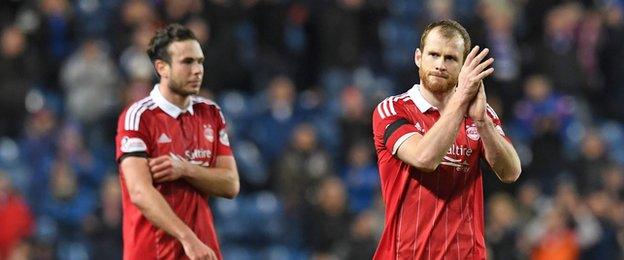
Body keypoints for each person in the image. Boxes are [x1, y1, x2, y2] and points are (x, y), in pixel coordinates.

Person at [371, 19, 521, 259]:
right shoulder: (393, 109)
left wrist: (483, 123)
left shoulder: (481, 114)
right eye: (433, 55)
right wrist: (461, 102)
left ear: (463, 67)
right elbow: (424, 158)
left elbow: (511, 172)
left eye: (450, 58)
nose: (440, 64)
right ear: (418, 58)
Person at [115, 24, 240, 260]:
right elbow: (139, 192)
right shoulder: (138, 117)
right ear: (162, 67)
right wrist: (188, 238)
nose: (197, 70)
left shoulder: (211, 113)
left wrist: (185, 168)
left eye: (200, 62)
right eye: (187, 62)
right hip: (153, 252)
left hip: (202, 252)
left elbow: (230, 184)